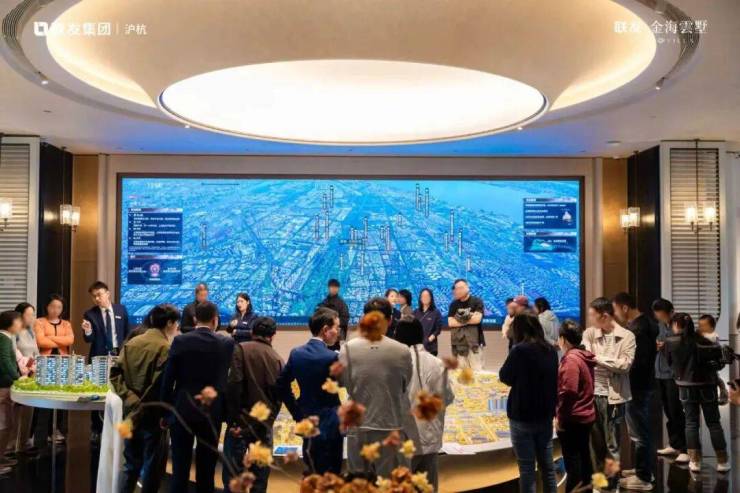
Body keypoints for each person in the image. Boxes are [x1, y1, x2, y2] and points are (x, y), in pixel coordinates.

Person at [161, 301, 235, 493]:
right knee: (206, 471)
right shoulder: (226, 343)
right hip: (212, 412)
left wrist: (165, 413)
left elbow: (168, 380)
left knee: (179, 470)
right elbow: (228, 382)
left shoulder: (180, 341)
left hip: (182, 410)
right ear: (215, 320)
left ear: (195, 319)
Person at [339, 297, 413, 478]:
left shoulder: (347, 348)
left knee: (358, 483)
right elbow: (405, 384)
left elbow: (343, 382)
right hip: (390, 425)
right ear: (390, 320)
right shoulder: (402, 350)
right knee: (388, 483)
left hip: (357, 427)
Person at [110, 304, 180, 493]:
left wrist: (130, 399)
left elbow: (114, 374)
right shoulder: (165, 348)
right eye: (176, 323)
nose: (177, 327)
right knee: (152, 469)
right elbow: (162, 386)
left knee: (130, 466)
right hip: (154, 416)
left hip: (130, 414)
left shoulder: (132, 342)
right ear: (169, 323)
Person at [277, 307, 343, 475]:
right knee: (331, 475)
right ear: (325, 330)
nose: (338, 332)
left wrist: (296, 412)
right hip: (330, 423)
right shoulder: (333, 357)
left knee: (311, 469)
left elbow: (281, 385)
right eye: (336, 327)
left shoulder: (296, 354)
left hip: (306, 419)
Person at [499, 313, 558, 493]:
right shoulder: (551, 350)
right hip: (545, 415)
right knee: (548, 467)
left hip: (522, 416)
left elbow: (505, 376)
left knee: (527, 469)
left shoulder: (519, 351)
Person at [224, 317, 283, 492]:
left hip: (239, 426)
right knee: (259, 482)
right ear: (273, 335)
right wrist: (267, 422)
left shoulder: (240, 349)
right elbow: (278, 398)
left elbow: (233, 386)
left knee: (233, 480)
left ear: (252, 332)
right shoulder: (278, 360)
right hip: (263, 428)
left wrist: (234, 420)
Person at [396, 315, 454, 492]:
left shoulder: (393, 364)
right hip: (430, 438)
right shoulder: (437, 364)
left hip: (403, 441)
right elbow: (448, 397)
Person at [666, 313, 730, 473]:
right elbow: (720, 364)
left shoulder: (671, 342)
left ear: (676, 325)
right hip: (708, 386)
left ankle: (695, 461)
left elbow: (669, 363)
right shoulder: (706, 342)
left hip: (685, 387)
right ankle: (722, 461)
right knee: (714, 423)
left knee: (691, 423)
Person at [582, 297, 635, 477]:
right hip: (591, 395)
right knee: (594, 443)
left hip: (614, 397)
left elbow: (624, 365)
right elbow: (586, 357)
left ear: (604, 316)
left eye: (592, 315)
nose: (590, 319)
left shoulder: (627, 336)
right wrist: (610, 361)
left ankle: (613, 484)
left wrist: (597, 358)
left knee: (613, 444)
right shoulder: (590, 333)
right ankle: (599, 483)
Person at [612, 292, 658, 491]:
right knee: (639, 431)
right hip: (641, 384)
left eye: (615, 310)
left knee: (639, 432)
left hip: (636, 386)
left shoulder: (638, 330)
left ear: (624, 307)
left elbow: (637, 362)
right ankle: (644, 469)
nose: (615, 315)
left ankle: (643, 477)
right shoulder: (644, 325)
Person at [82, 281, 131, 442]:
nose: (97, 299)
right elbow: (88, 339)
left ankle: (119, 426)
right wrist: (88, 331)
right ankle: (96, 428)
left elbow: (127, 333)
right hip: (99, 357)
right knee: (97, 392)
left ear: (108, 294)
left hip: (119, 355)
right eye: (93, 296)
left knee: (119, 390)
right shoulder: (90, 314)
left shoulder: (120, 309)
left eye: (99, 295)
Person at [555, 320, 596, 493]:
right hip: (585, 415)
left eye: (559, 338)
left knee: (574, 465)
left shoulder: (571, 359)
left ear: (563, 339)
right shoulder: (583, 355)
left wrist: (560, 417)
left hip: (574, 418)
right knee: (584, 460)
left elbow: (569, 391)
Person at [651, 299, 688, 463]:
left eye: (661, 315)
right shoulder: (660, 325)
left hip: (674, 374)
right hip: (660, 372)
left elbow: (684, 346)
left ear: (671, 312)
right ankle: (674, 444)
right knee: (668, 410)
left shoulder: (680, 324)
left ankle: (685, 448)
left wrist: (665, 345)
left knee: (676, 411)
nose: (659, 318)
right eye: (657, 315)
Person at [33, 294, 73, 444]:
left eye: (59, 307)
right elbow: (41, 342)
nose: (55, 310)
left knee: (61, 397)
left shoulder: (66, 324)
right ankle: (41, 434)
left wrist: (49, 338)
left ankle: (57, 431)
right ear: (47, 307)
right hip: (46, 362)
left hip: (63, 362)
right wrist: (60, 341)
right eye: (53, 306)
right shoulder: (40, 322)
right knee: (45, 398)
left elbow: (70, 340)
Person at [13, 303, 39, 456]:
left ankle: (23, 444)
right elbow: (14, 355)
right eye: (29, 314)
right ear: (20, 315)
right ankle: (12, 446)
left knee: (29, 411)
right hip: (19, 375)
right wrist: (27, 366)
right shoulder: (14, 333)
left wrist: (33, 367)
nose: (32, 318)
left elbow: (35, 353)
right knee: (16, 413)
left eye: (33, 314)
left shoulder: (31, 331)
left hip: (32, 374)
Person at [0, 311, 22, 477]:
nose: (20, 324)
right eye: (18, 321)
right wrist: (18, 378)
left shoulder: (6, 338)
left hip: (6, 386)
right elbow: (5, 361)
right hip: (3, 387)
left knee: (7, 423)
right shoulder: (4, 338)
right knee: (3, 424)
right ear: (10, 323)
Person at [447, 279, 485, 370]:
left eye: (461, 288)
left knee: (477, 371)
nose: (458, 291)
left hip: (475, 343)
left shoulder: (477, 301)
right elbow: (451, 323)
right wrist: (469, 316)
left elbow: (477, 320)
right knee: (460, 372)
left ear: (467, 288)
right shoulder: (453, 304)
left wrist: (458, 318)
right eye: (456, 289)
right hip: (458, 343)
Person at [696, 314, 729, 405]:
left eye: (704, 325)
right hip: (703, 371)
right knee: (718, 379)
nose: (701, 327)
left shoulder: (712, 336)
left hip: (709, 369)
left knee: (718, 380)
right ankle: (723, 392)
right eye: (700, 325)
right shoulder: (700, 336)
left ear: (712, 327)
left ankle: (724, 393)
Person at [318, 279, 350, 349]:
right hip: (324, 335)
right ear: (328, 288)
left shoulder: (341, 303)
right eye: (332, 287)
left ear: (338, 289)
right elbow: (318, 317)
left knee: (335, 351)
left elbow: (345, 319)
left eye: (336, 287)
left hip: (335, 335)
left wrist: (333, 324)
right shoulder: (324, 302)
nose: (334, 289)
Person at [413, 288, 443, 356]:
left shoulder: (436, 312)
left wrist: (429, 340)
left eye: (427, 296)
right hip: (417, 346)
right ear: (420, 298)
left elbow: (438, 329)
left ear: (431, 298)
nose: (425, 298)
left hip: (431, 347)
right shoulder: (415, 312)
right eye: (423, 296)